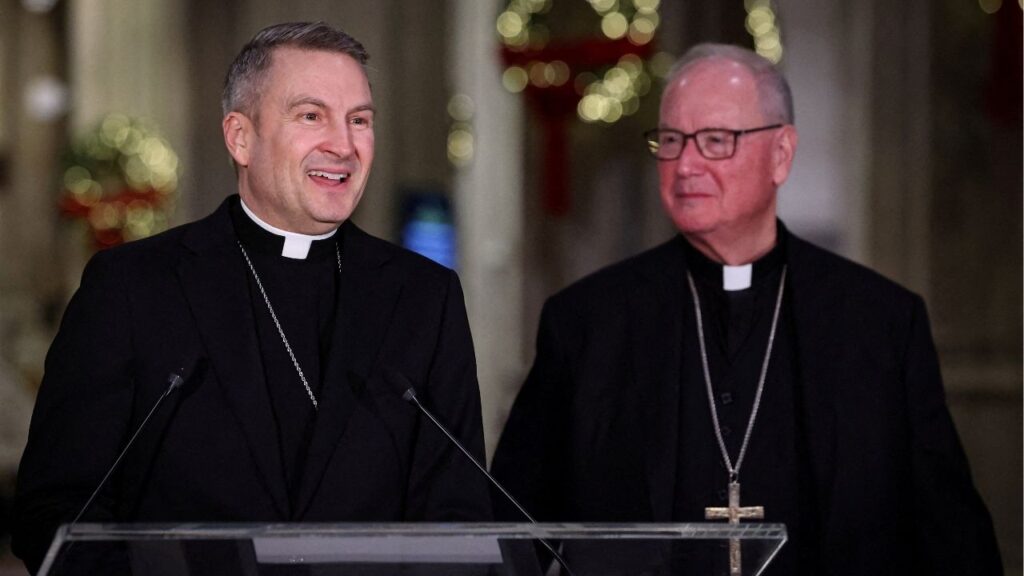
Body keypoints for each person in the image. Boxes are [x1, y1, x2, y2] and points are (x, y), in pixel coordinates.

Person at [490, 43, 1001, 575]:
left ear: (781, 154)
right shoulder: (588, 324)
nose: (685, 164)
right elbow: (508, 534)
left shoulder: (880, 324)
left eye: (715, 140)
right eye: (671, 140)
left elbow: (955, 544)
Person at [13, 21, 490, 574]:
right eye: (311, 116)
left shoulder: (423, 297)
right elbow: (54, 512)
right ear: (240, 137)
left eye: (359, 120)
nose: (344, 145)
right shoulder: (132, 289)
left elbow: (459, 513)